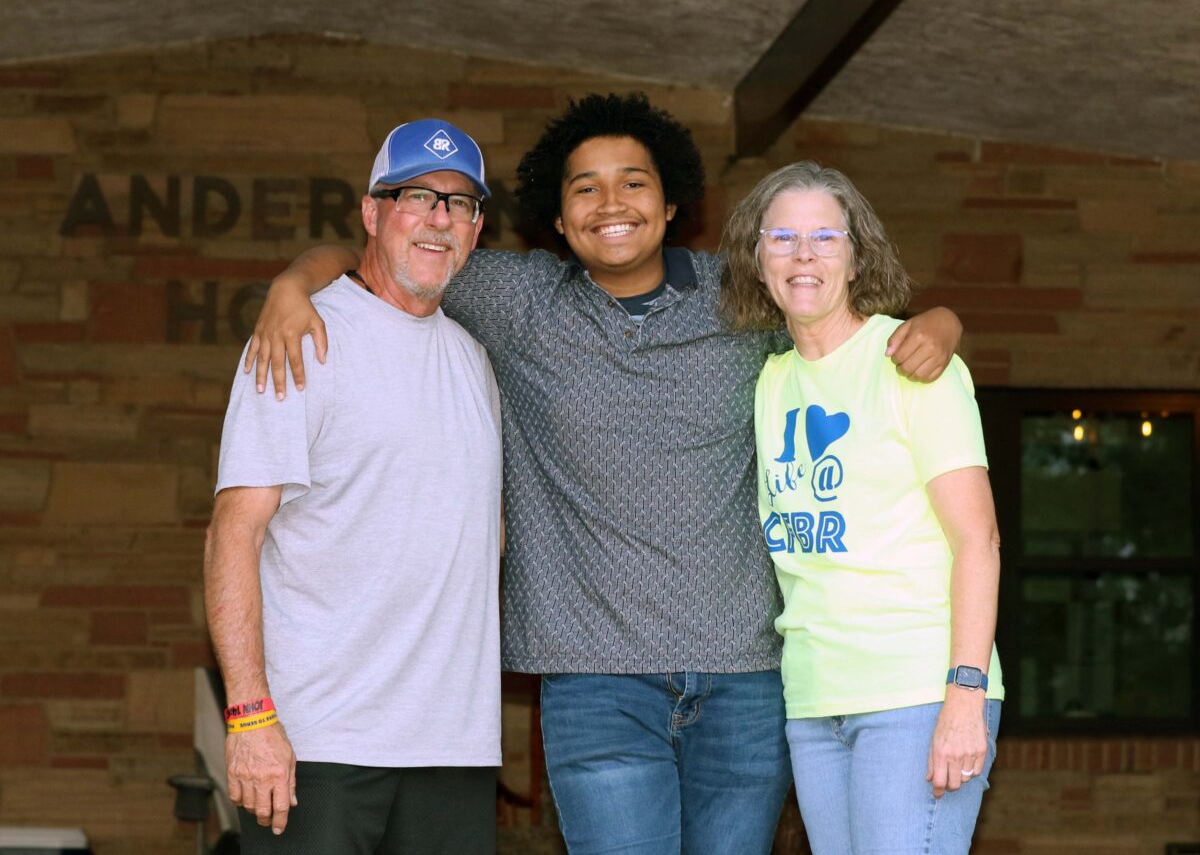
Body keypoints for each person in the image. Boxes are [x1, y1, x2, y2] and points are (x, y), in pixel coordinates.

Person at [247, 94, 963, 854]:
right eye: (584, 187)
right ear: (555, 219)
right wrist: (292, 287)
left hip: (745, 678)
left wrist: (944, 322)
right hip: (595, 683)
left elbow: (862, 324)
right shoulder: (518, 301)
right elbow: (387, 252)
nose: (611, 203)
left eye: (633, 182)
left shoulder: (743, 298)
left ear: (671, 202)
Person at [203, 119, 502, 854]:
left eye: (458, 204)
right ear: (372, 213)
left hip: (453, 749)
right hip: (318, 747)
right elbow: (233, 531)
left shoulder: (474, 362)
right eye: (416, 196)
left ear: (476, 228)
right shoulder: (301, 336)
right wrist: (249, 717)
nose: (439, 218)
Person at [721, 160, 1003, 854]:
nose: (804, 254)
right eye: (781, 237)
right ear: (757, 260)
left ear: (857, 256)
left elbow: (979, 540)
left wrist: (965, 696)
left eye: (826, 236)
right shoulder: (770, 380)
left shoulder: (915, 365)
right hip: (815, 698)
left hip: (916, 691)